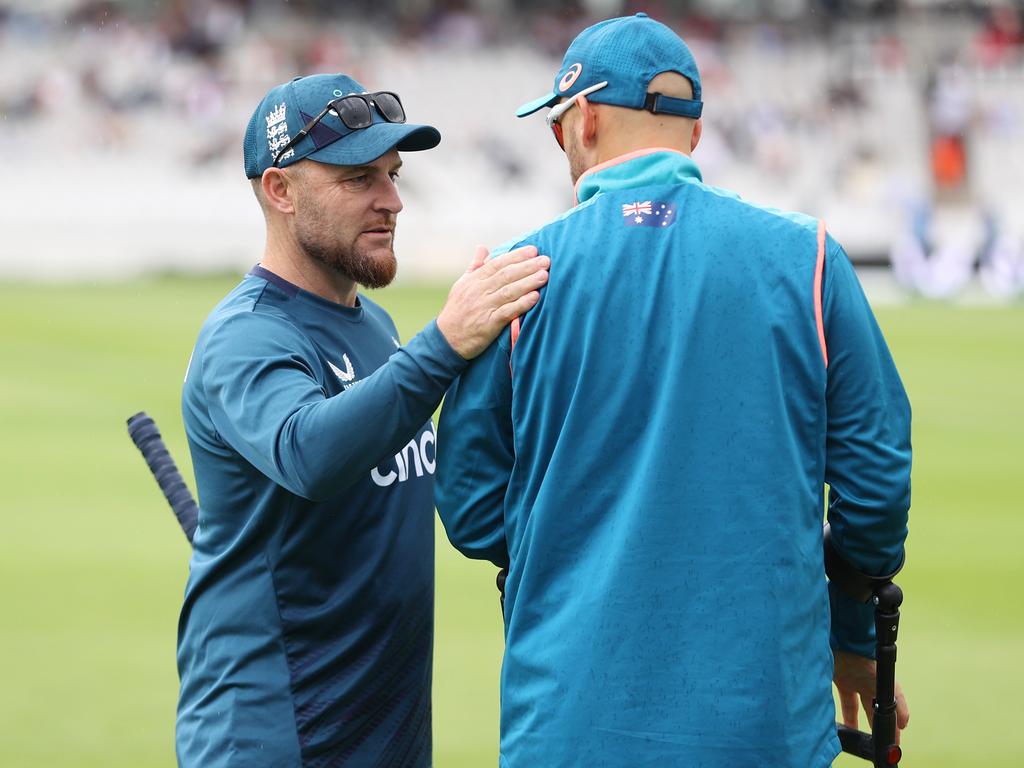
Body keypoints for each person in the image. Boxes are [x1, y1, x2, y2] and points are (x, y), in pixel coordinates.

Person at [435, 14, 911, 767]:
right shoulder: (810, 257)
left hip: (566, 723)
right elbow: (875, 488)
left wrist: (568, 539)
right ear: (692, 133)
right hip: (764, 726)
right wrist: (851, 635)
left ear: (582, 121)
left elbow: (468, 508)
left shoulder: (514, 277)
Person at [177, 73, 549, 767]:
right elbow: (309, 453)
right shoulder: (246, 335)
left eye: (393, 173)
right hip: (278, 739)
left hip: (383, 736)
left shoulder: (373, 326)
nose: (392, 201)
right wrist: (444, 342)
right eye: (358, 180)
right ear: (280, 191)